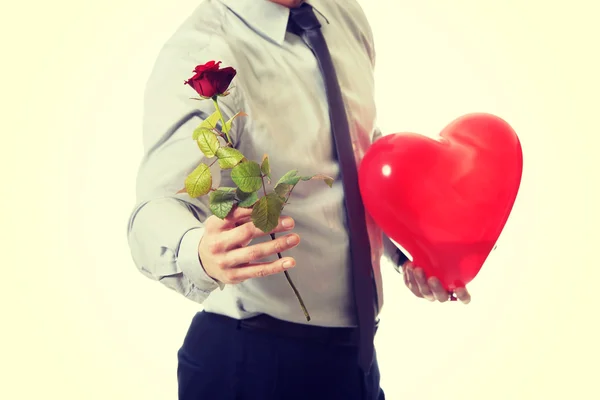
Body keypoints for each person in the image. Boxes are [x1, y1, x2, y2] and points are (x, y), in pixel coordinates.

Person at [127, 0, 471, 399]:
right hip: (252, 368)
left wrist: (412, 252)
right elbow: (154, 208)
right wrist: (199, 251)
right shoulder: (203, 51)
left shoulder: (343, 14)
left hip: (355, 364)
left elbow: (355, 157)